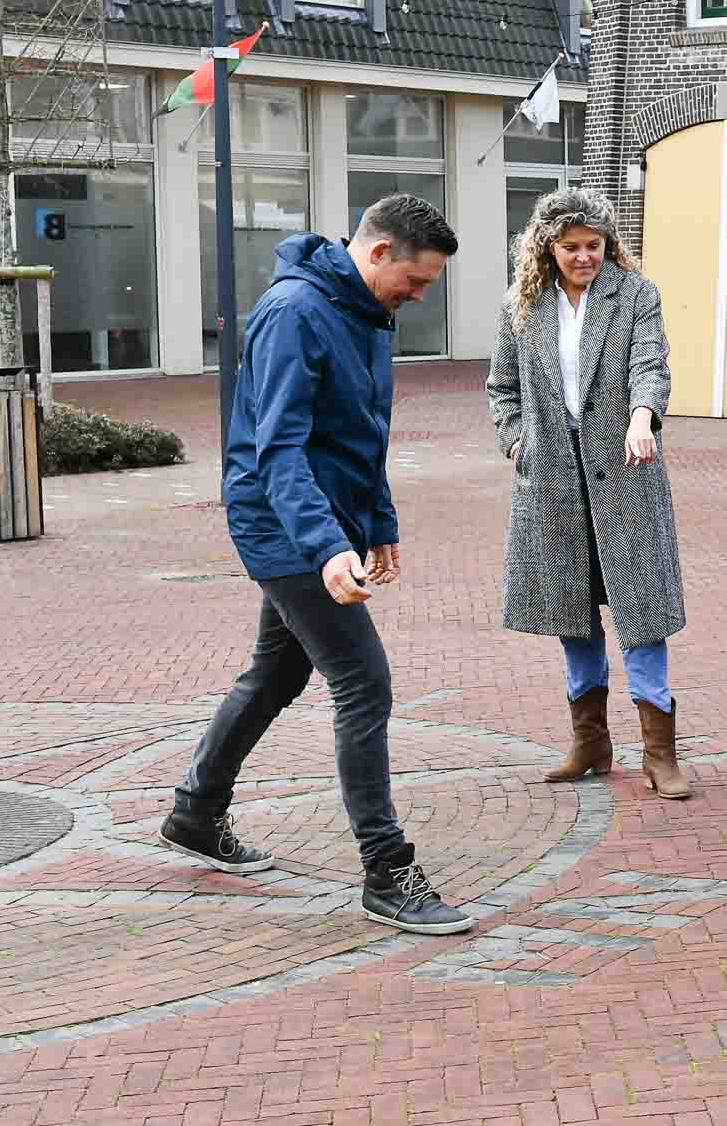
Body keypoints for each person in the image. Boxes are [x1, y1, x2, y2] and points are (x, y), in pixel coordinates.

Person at [160, 195, 473, 935]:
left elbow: (361, 432)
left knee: (278, 671)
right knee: (363, 681)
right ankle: (385, 870)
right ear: (376, 253)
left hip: (325, 520)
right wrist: (327, 545)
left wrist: (379, 521)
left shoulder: (364, 314)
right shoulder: (296, 313)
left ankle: (195, 814)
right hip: (283, 522)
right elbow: (279, 448)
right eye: (417, 280)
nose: (421, 296)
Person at [487, 187, 692, 799]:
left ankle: (661, 753)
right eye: (572, 247)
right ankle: (590, 742)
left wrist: (641, 417)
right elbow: (502, 387)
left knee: (641, 613)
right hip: (551, 480)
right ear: (547, 247)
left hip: (627, 476)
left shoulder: (636, 296)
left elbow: (650, 366)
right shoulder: (522, 306)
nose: (584, 257)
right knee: (572, 612)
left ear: (609, 244)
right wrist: (518, 442)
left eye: (594, 246)